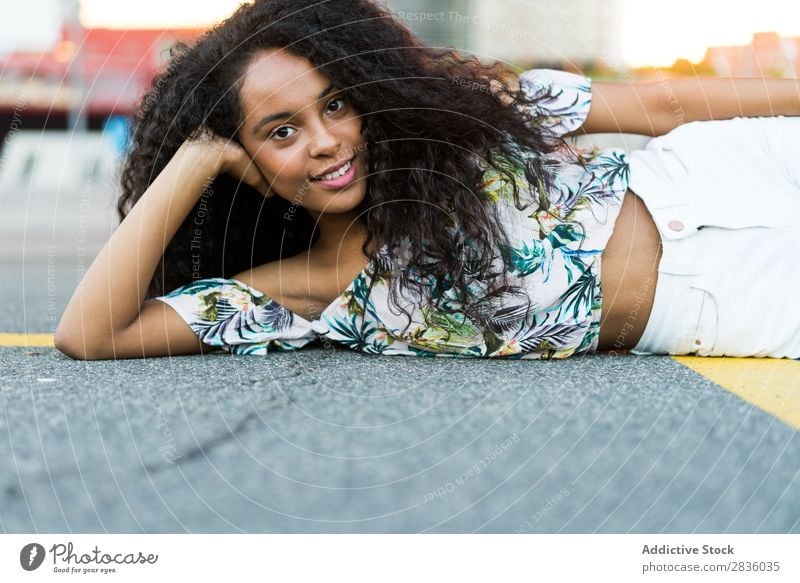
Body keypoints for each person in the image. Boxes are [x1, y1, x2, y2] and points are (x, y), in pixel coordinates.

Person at [54, 0, 800, 361]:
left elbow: (661, 104)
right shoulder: (315, 290)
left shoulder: (468, 119)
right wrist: (199, 155)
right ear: (246, 161)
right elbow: (89, 335)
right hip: (725, 300)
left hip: (722, 173)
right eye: (280, 132)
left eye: (337, 103)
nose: (326, 142)